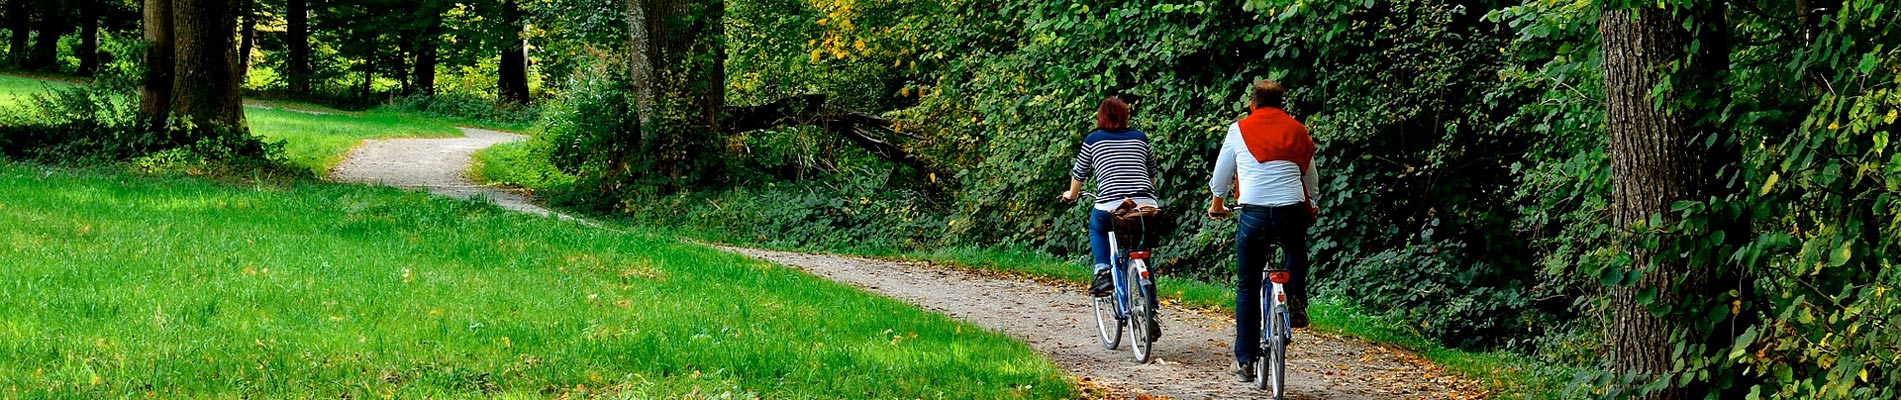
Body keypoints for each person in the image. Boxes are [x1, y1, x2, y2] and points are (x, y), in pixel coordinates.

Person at [1206, 79, 1318, 382]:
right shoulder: (1297, 129)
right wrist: (1315, 202)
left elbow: (1221, 176)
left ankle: (1244, 360)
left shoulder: (1238, 129)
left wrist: (1218, 204)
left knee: (1247, 285)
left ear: (1252, 104)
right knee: (1295, 249)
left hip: (1253, 214)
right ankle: (1294, 296)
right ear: (1282, 104)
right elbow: (1310, 175)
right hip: (1291, 211)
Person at [1061, 96, 1160, 300]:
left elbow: (1079, 173)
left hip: (1110, 206)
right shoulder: (1140, 137)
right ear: (1125, 116)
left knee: (1097, 227)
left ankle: (1103, 272)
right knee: (1140, 247)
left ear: (1100, 117)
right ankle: (1151, 307)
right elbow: (1152, 175)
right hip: (1145, 205)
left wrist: (1071, 195)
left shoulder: (1093, 139)